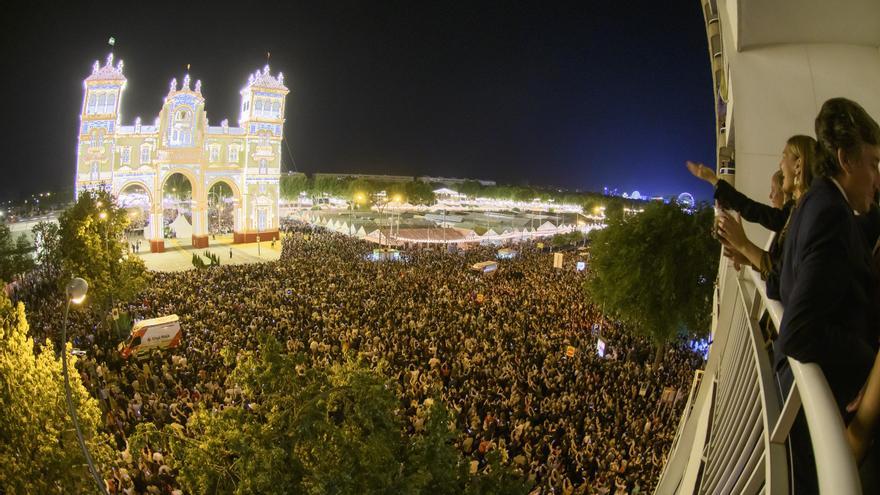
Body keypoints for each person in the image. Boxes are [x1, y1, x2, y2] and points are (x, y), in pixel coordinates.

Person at [777, 97, 880, 493]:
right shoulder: (832, 215)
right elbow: (799, 332)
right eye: (873, 163)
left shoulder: (817, 202)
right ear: (846, 159)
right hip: (819, 410)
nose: (876, 176)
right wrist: (869, 365)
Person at [715, 135, 819, 299]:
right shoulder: (799, 210)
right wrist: (748, 258)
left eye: (784, 156)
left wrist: (744, 245)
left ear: (799, 164)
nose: (780, 163)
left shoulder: (807, 213)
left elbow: (782, 279)